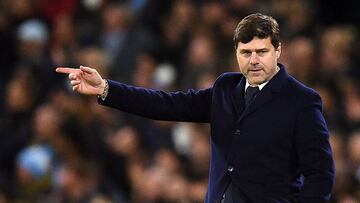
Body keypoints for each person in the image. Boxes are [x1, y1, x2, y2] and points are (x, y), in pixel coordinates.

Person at [56, 13, 335, 203]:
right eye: (246, 52)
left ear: (278, 51)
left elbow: (320, 174)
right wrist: (107, 88)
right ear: (236, 52)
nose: (254, 61)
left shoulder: (301, 100)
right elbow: (168, 105)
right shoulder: (226, 87)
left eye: (262, 52)